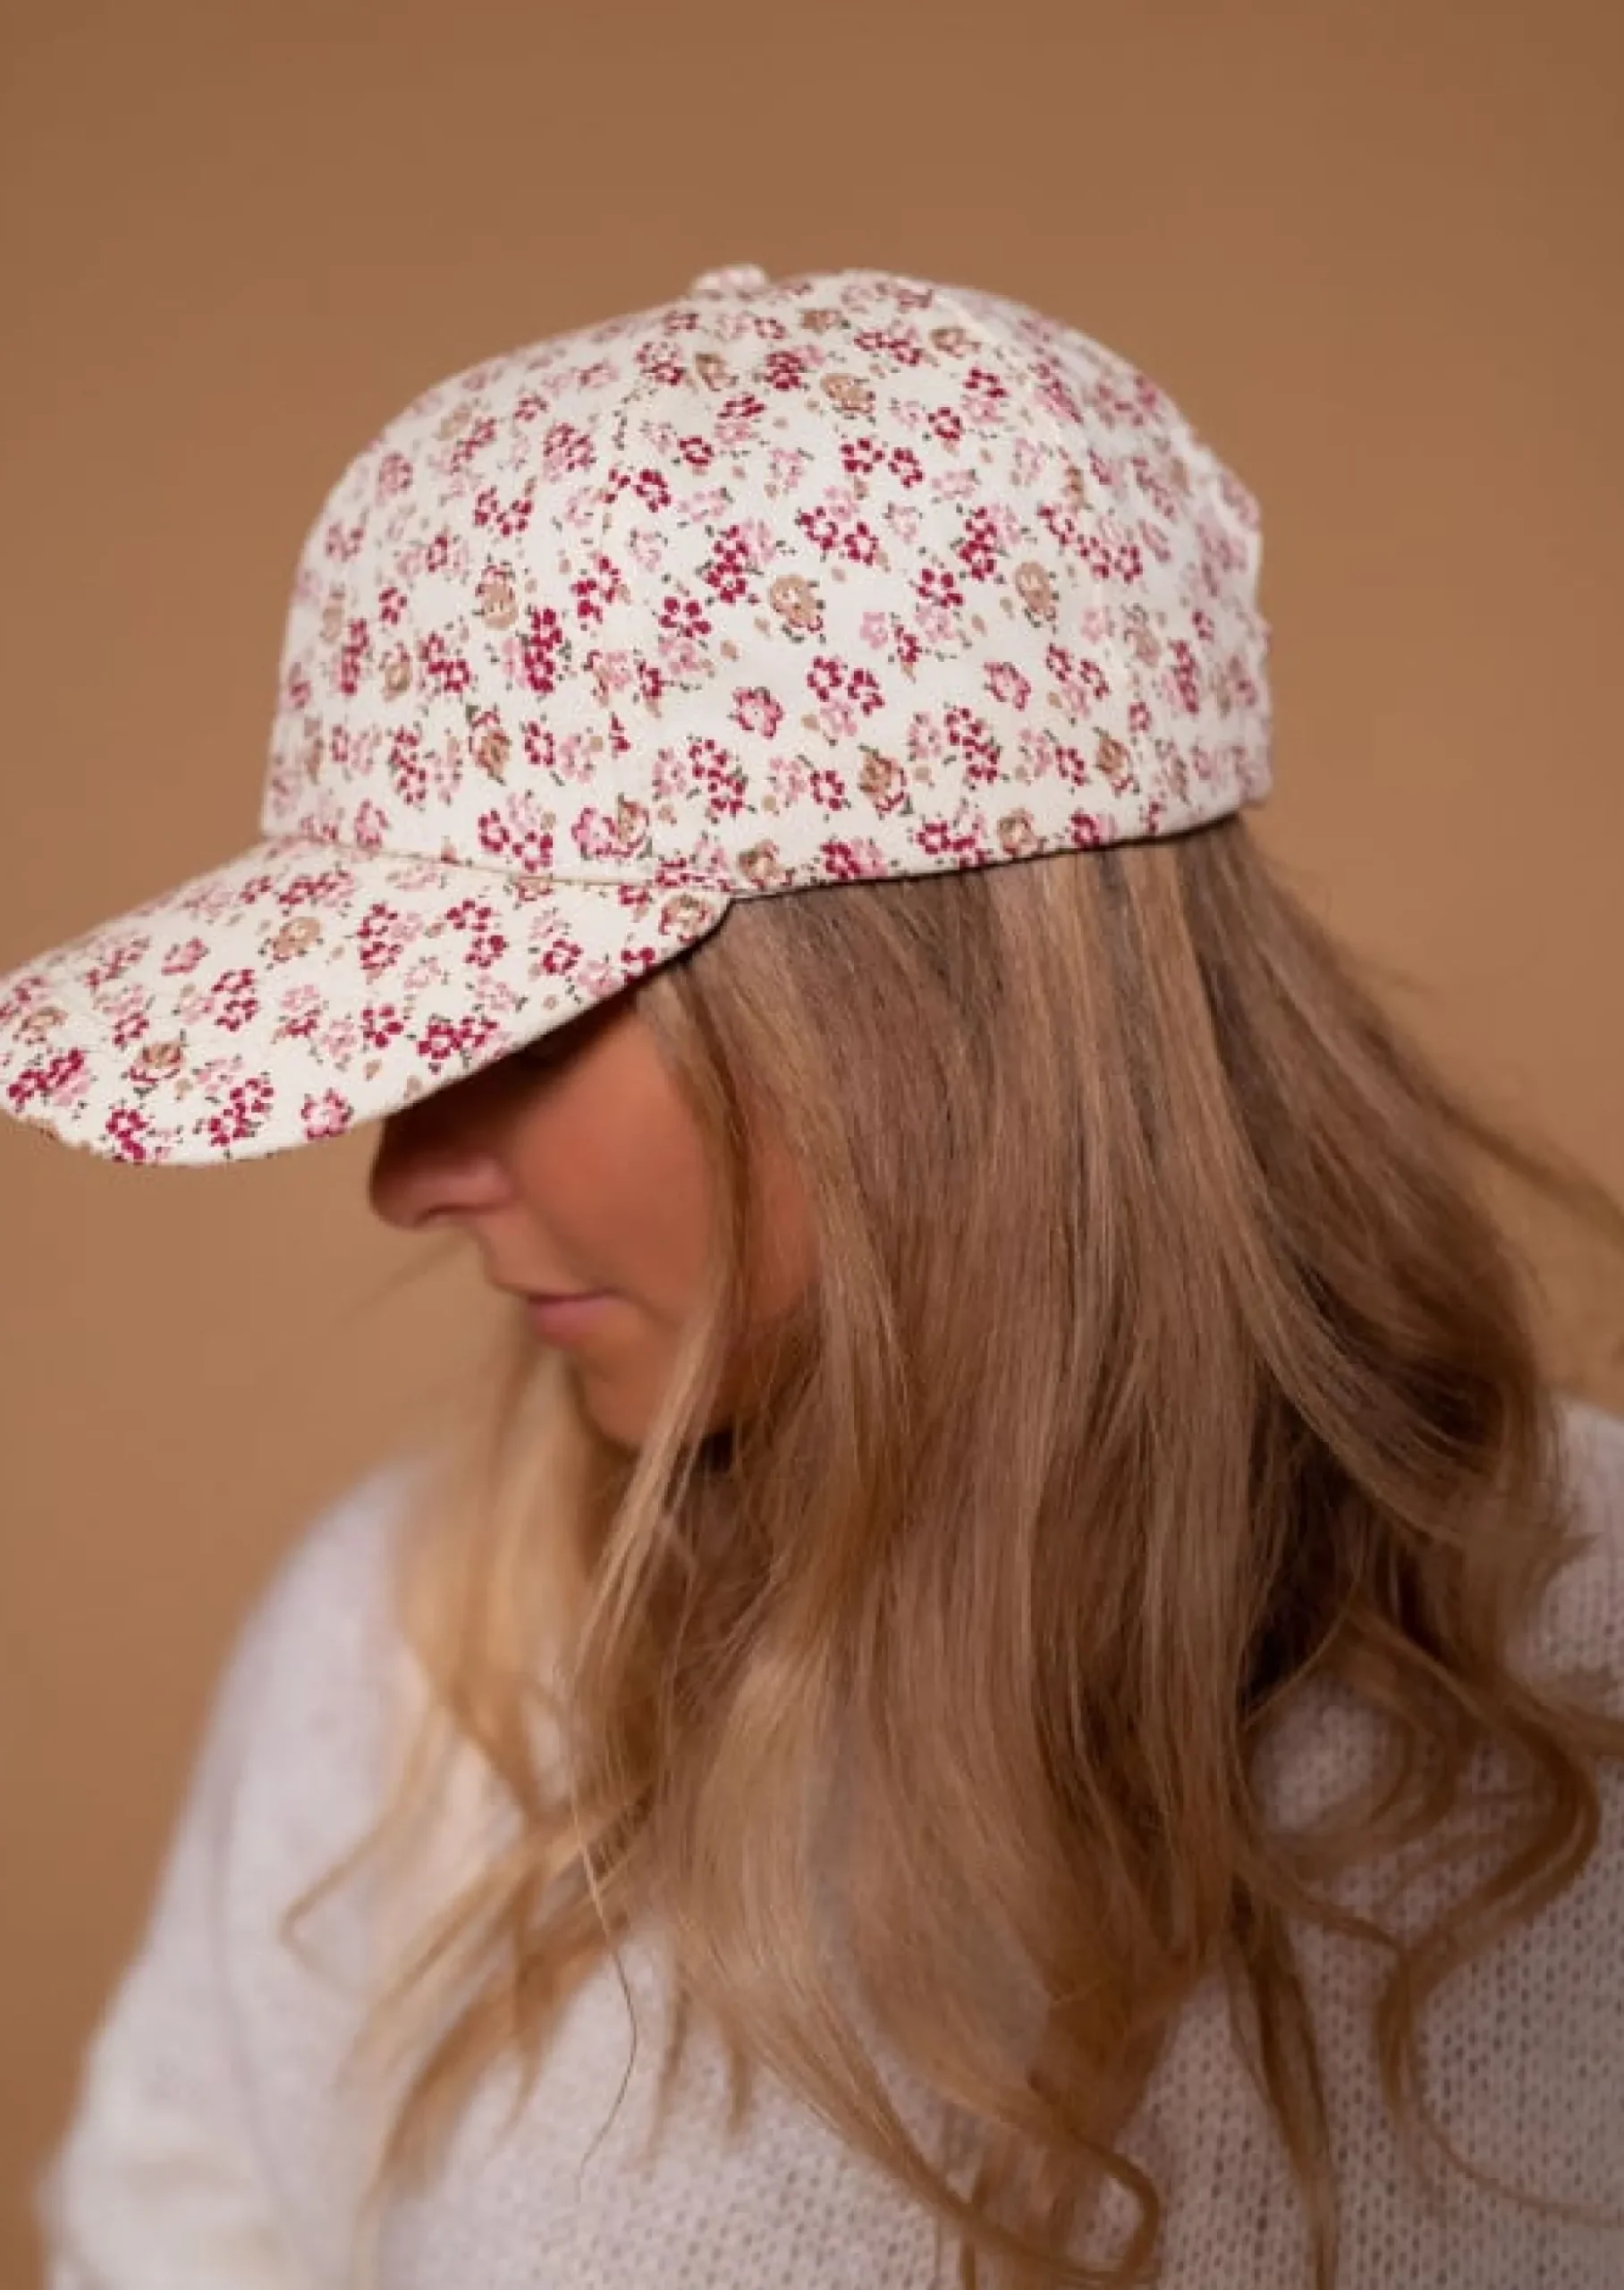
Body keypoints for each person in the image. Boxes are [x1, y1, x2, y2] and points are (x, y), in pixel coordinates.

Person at [4, 261, 1622, 2290]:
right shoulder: (412, 1665)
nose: (408, 1175)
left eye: (511, 1023)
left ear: (930, 1011)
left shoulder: (1585, 1671)